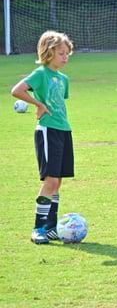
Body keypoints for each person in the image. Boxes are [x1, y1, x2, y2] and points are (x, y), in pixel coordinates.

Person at [11, 31, 75, 244]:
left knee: (58, 183)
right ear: (48, 53)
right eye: (61, 53)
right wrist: (38, 104)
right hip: (47, 130)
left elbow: (59, 101)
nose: (65, 57)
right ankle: (38, 228)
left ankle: (51, 227)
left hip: (64, 129)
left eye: (67, 53)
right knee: (51, 179)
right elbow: (17, 90)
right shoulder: (41, 73)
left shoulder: (63, 79)